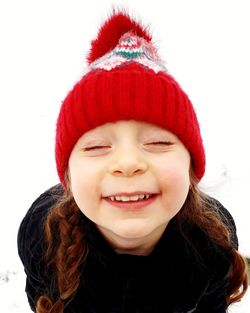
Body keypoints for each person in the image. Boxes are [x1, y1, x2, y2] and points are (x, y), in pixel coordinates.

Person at [18, 10, 248, 313]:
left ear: (191, 168)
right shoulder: (42, 237)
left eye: (158, 142)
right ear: (69, 176)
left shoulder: (212, 244)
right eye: (97, 146)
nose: (128, 162)